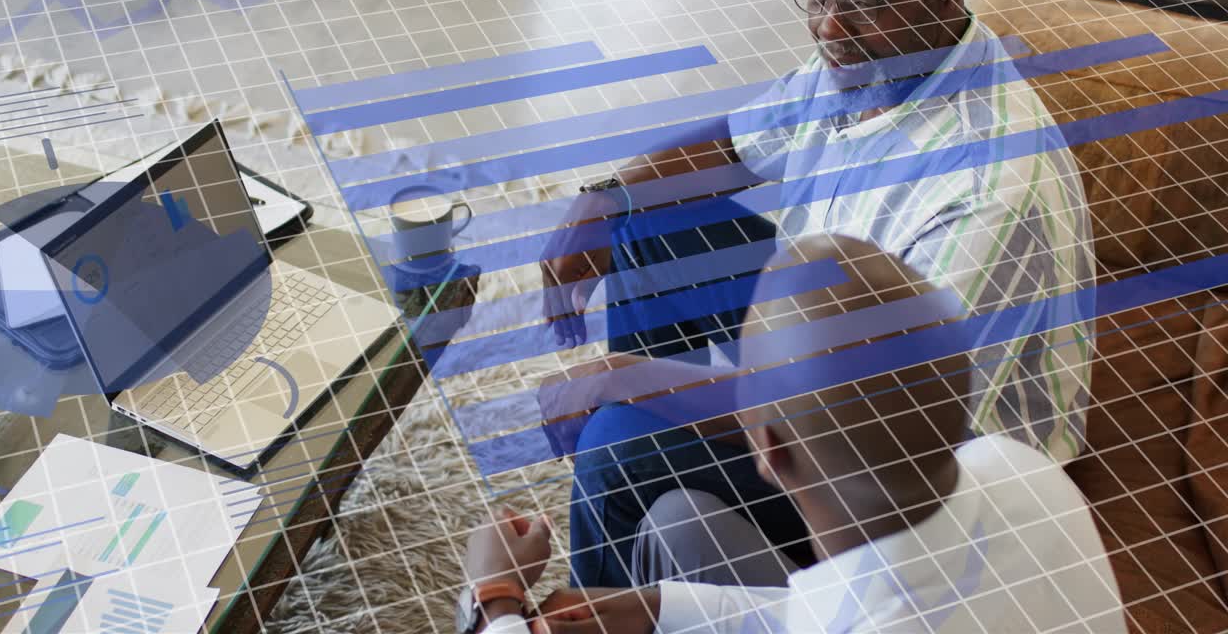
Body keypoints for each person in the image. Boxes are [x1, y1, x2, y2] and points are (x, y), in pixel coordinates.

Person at [537, 0, 1096, 588]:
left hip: (925, 472)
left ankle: (618, 581)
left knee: (618, 446)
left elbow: (872, 413)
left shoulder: (984, 193)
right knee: (649, 222)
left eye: (864, 0)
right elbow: (737, 142)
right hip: (842, 348)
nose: (830, 27)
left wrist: (633, 382)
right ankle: (667, 507)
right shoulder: (872, 60)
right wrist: (606, 198)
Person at [459, 237, 1123, 633]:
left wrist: (496, 601)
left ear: (766, 448)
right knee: (678, 524)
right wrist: (663, 608)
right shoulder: (1021, 468)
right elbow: (829, 612)